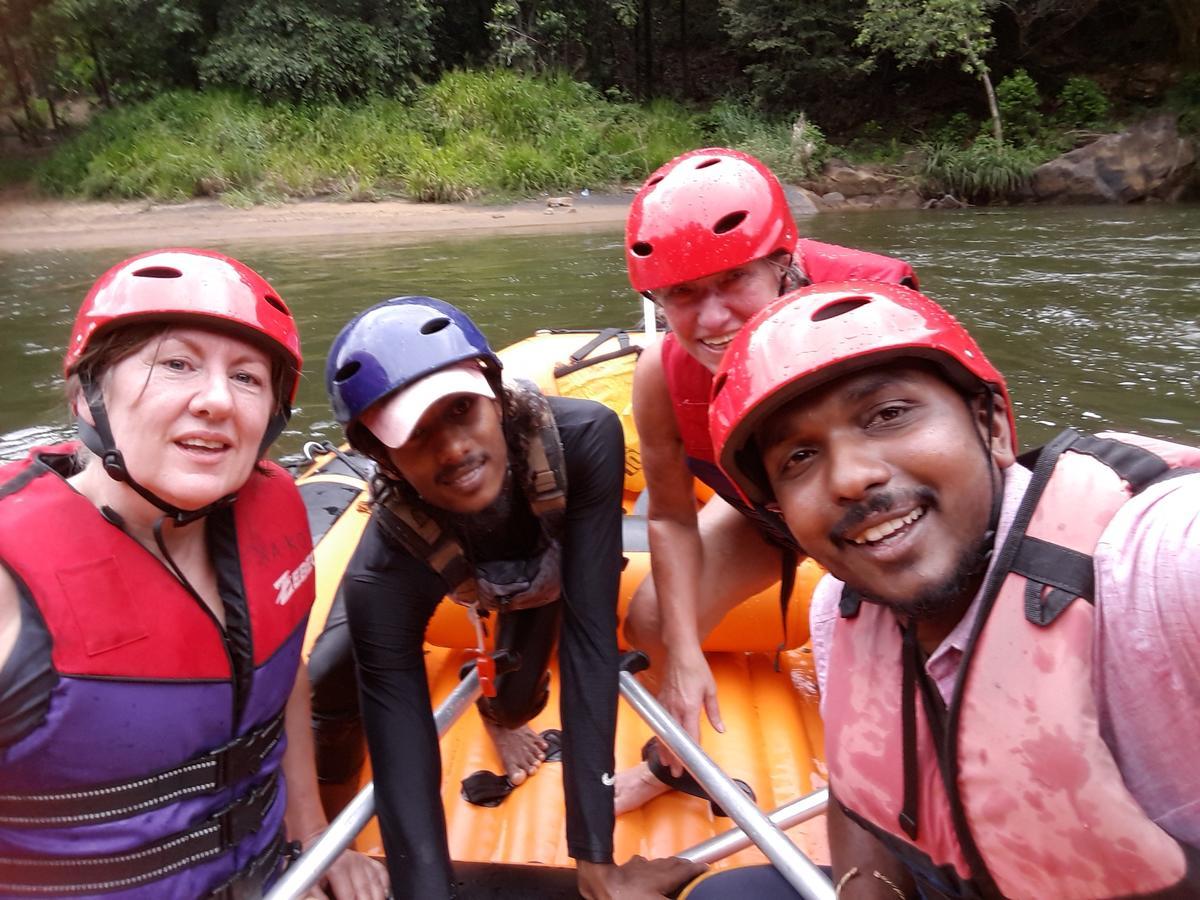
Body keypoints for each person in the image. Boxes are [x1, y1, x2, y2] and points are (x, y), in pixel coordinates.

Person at [699, 280, 1200, 898]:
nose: (853, 478)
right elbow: (862, 792)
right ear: (781, 516)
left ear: (991, 425)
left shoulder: (1156, 561)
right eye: (799, 457)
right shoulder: (840, 608)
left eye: (888, 415)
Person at [0, 249, 387, 900]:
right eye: (176, 364)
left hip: (272, 878)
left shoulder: (275, 510)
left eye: (246, 378)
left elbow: (281, 674)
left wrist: (316, 836)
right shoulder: (10, 582)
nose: (215, 400)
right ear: (87, 397)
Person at [324, 296, 706, 899]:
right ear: (382, 457)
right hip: (461, 570)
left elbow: (588, 642)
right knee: (328, 675)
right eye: (415, 434)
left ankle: (500, 712)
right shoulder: (388, 564)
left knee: (520, 702)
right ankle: (331, 838)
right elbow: (401, 739)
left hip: (543, 556)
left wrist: (596, 864)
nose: (452, 449)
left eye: (461, 411)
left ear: (496, 399)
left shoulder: (583, 438)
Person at [617, 147, 918, 813]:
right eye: (684, 294)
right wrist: (685, 653)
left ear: (782, 263)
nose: (713, 318)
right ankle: (675, 763)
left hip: (874, 507)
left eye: (733, 281)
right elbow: (667, 515)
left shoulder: (872, 319)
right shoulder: (660, 376)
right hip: (767, 509)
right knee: (654, 622)